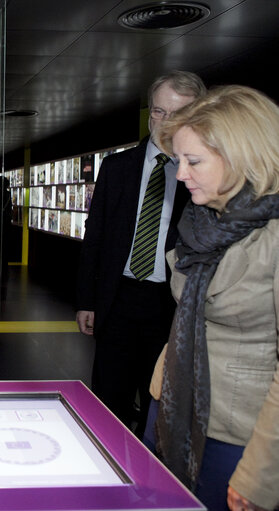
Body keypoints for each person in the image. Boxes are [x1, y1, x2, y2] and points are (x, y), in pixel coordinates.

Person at [148, 85, 279, 511]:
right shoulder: (201, 220)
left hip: (235, 437)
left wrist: (260, 475)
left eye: (194, 161)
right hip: (171, 407)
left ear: (241, 156)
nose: (181, 174)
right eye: (178, 160)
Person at [75, 71, 206, 434]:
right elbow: (95, 237)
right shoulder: (117, 168)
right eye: (159, 112)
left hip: (171, 305)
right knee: (108, 402)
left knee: (162, 407)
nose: (165, 122)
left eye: (177, 114)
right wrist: (87, 299)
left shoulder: (201, 175)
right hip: (117, 299)